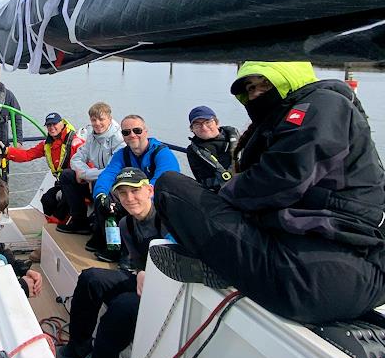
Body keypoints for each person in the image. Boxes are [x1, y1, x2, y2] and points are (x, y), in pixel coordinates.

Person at [151, 61, 385, 324]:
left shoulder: (321, 104)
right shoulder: (325, 111)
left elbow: (281, 179)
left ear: (291, 76)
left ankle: (218, 264)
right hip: (355, 274)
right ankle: (218, 261)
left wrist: (225, 194)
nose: (256, 94)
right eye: (250, 88)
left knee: (170, 188)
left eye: (265, 84)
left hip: (307, 275)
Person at [57, 168, 168, 358]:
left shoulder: (166, 217)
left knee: (122, 306)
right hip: (144, 283)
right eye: (123, 193)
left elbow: (182, 244)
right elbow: (138, 261)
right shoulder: (127, 224)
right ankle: (78, 346)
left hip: (170, 292)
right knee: (91, 278)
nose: (129, 198)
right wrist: (141, 272)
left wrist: (150, 273)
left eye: (135, 191)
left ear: (150, 190)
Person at [90, 115, 179, 261]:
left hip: (157, 199)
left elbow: (164, 181)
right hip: (138, 194)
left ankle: (130, 254)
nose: (132, 135)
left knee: (131, 204)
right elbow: (108, 174)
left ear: (146, 131)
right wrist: (100, 195)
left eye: (136, 130)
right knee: (106, 200)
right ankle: (113, 246)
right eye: (126, 132)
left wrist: (138, 197)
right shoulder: (123, 154)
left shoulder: (162, 154)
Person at [57, 102, 123, 235]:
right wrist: (84, 174)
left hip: (113, 184)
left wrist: (86, 175)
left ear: (110, 119)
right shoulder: (92, 136)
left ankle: (101, 234)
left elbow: (111, 171)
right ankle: (79, 222)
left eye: (101, 119)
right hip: (93, 179)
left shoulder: (119, 140)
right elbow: (76, 158)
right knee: (66, 175)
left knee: (100, 182)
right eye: (94, 120)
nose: (97, 123)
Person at [5, 112, 85, 221]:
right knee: (46, 199)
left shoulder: (76, 142)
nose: (52, 128)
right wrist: (7, 151)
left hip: (78, 185)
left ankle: (65, 222)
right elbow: (27, 155)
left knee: (64, 197)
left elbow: (88, 162)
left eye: (54, 124)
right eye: (49, 125)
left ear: (62, 123)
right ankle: (54, 226)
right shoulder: (47, 145)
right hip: (62, 184)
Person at [185, 105, 238, 191]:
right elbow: (203, 179)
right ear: (192, 129)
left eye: (208, 122)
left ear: (217, 123)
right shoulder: (193, 151)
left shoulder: (239, 138)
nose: (204, 128)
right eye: (197, 124)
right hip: (219, 194)